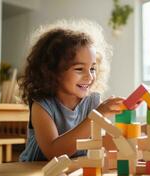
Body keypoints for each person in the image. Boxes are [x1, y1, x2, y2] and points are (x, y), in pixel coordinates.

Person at [18, 20, 123, 161]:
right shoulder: (42, 105)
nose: (89, 76)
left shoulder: (93, 101)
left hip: (73, 172)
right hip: (34, 171)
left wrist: (146, 126)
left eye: (92, 68)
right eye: (79, 69)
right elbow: (53, 152)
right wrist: (97, 116)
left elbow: (107, 141)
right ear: (52, 71)